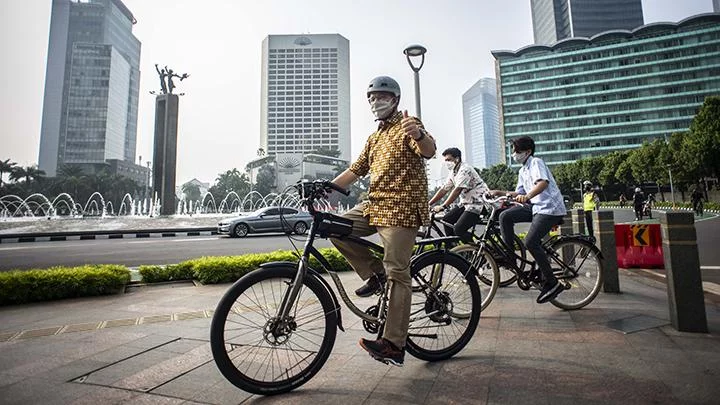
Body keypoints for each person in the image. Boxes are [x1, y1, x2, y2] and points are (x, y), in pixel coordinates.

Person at [329, 76, 436, 366]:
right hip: (374, 205)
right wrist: (326, 187)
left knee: (398, 272)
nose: (376, 102)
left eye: (381, 96)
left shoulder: (408, 124)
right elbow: (355, 170)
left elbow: (429, 150)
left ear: (395, 100)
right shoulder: (375, 138)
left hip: (402, 209)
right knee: (334, 228)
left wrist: (418, 135)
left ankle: (393, 344)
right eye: (372, 98)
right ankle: (375, 276)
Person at [488, 136, 567, 304]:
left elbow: (542, 183)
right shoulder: (523, 170)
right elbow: (519, 193)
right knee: (505, 216)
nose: (514, 154)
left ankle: (552, 283)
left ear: (528, 151)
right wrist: (499, 193)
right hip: (536, 208)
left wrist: (528, 196)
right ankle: (510, 257)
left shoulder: (536, 162)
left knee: (530, 241)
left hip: (549, 208)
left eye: (517, 151)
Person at [428, 147, 489, 243]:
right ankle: (455, 251)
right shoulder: (453, 172)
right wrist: (429, 203)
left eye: (449, 160)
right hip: (466, 203)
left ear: (457, 159)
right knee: (446, 220)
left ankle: (475, 251)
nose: (446, 163)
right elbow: (444, 189)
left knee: (459, 229)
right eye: (445, 160)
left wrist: (444, 206)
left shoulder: (465, 170)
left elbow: (457, 190)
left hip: (478, 204)